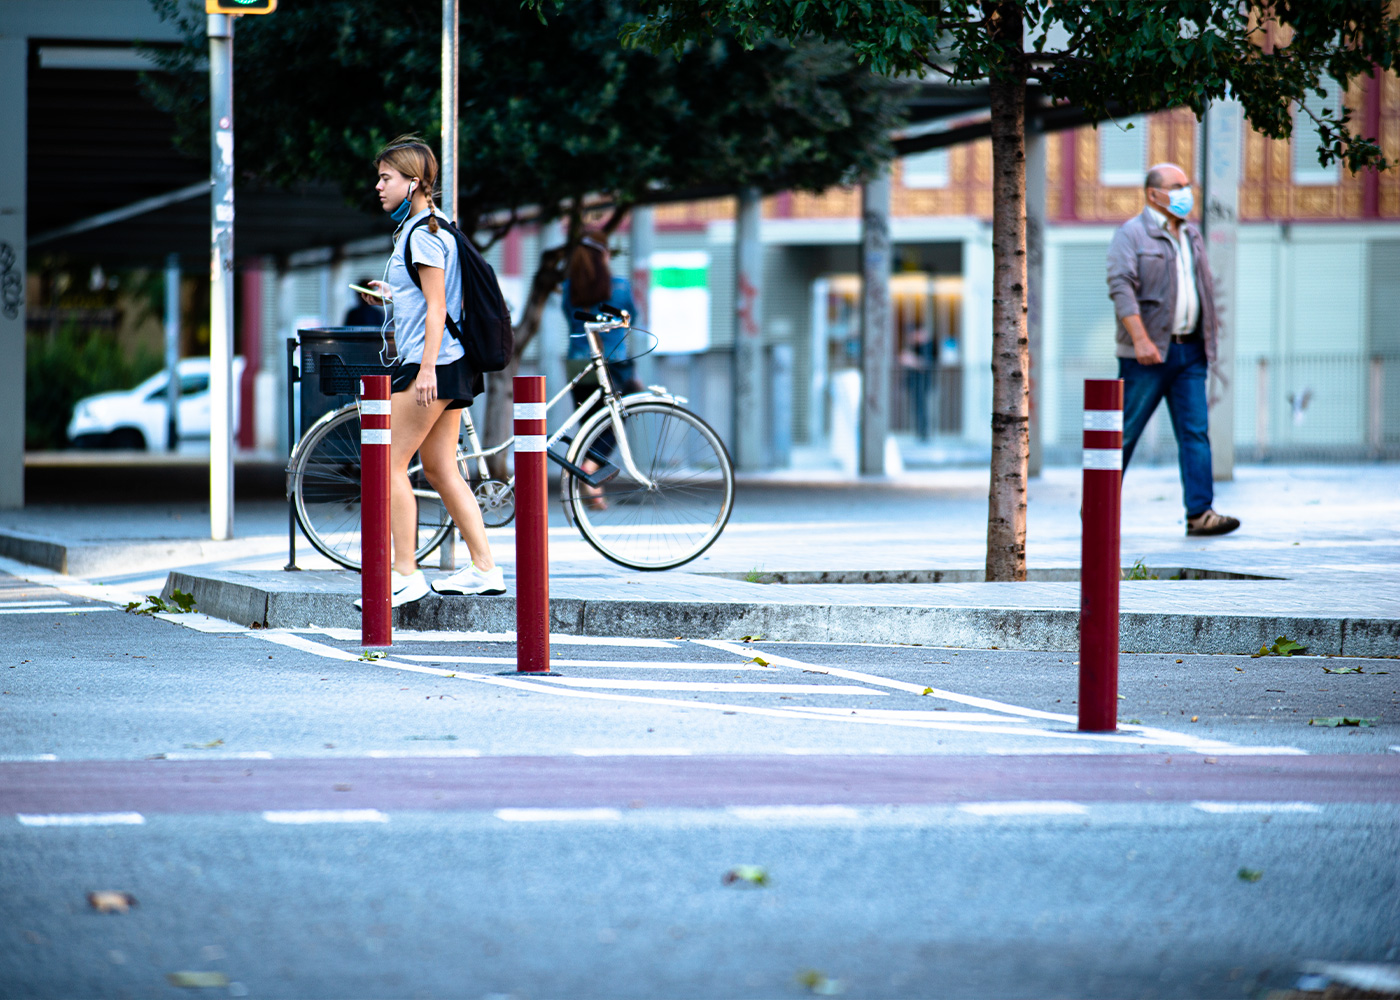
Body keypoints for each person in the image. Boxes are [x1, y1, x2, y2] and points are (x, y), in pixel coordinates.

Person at [354, 135, 504, 607]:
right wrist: (392, 294)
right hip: (449, 365)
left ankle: (406, 573)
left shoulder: (423, 234)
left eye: (386, 178)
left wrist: (423, 372)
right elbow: (429, 300)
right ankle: (485, 568)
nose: (378, 186)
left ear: (413, 182)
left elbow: (438, 307)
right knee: (440, 467)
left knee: (388, 465)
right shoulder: (429, 230)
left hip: (433, 367)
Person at [1106, 162, 1240, 537]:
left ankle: (1200, 513)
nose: (1186, 192)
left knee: (1195, 432)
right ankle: (1099, 508)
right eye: (1177, 186)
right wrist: (1140, 339)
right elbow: (1121, 288)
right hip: (1146, 356)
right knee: (1124, 434)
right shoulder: (1130, 235)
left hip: (1190, 352)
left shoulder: (1191, 235)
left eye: (1187, 184)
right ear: (1153, 194)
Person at [560, 230, 639, 506]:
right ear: (604, 255)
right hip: (613, 364)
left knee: (588, 424)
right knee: (615, 421)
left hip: (577, 363)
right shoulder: (620, 288)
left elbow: (569, 320)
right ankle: (590, 472)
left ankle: (593, 488)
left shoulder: (570, 288)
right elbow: (629, 322)